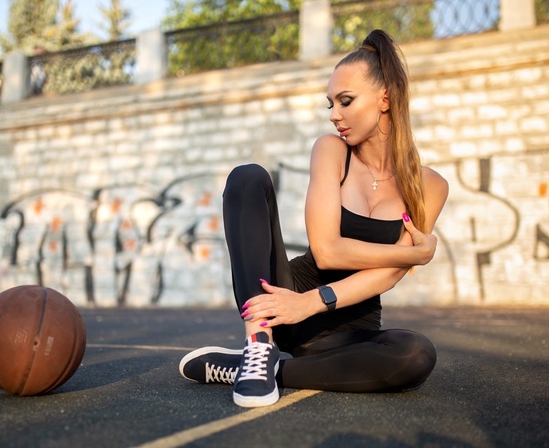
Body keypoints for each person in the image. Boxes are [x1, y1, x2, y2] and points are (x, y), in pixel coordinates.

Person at [179, 29, 449, 408]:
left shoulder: (430, 186)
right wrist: (415, 255)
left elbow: (386, 276)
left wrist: (316, 303)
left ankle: (260, 369)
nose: (335, 115)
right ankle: (258, 346)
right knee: (247, 177)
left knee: (416, 353)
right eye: (331, 104)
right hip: (285, 300)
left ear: (384, 99)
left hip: (348, 330)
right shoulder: (331, 151)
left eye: (346, 101)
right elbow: (327, 251)